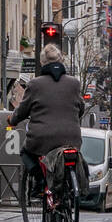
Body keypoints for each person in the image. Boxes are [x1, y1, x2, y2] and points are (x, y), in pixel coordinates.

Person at [11, 44, 83, 196]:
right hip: (71, 138)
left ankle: (40, 180)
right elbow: (81, 108)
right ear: (61, 61)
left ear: (42, 63)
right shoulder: (74, 83)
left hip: (42, 140)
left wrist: (12, 120)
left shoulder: (34, 84)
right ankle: (68, 192)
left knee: (25, 151)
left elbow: (23, 111)